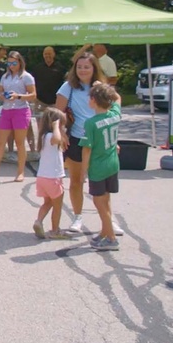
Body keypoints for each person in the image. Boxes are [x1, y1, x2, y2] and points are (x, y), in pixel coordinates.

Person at [55, 51, 125, 235]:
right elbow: (58, 113)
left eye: (87, 67)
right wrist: (61, 133)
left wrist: (113, 138)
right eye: (79, 67)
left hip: (101, 140)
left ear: (94, 68)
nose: (82, 70)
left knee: (103, 184)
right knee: (77, 180)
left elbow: (116, 100)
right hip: (78, 139)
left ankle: (108, 221)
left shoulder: (100, 87)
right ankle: (77, 218)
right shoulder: (68, 87)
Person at [0, 51, 36, 182]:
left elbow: (33, 95)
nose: (11, 65)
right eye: (9, 63)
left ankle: (20, 172)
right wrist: (2, 96)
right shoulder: (5, 77)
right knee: (0, 142)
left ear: (20, 63)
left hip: (21, 110)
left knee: (20, 143)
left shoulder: (26, 77)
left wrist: (18, 96)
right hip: (6, 110)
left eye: (14, 63)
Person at [81, 83, 122, 251]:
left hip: (98, 167)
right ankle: (105, 231)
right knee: (106, 200)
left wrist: (84, 170)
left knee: (99, 201)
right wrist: (105, 86)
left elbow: (87, 149)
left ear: (93, 100)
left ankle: (111, 238)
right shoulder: (114, 114)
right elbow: (118, 98)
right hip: (113, 164)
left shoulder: (90, 123)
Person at [32, 107, 72, 240]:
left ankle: (38, 221)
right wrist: (56, 127)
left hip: (42, 177)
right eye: (62, 124)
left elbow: (62, 141)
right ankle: (55, 230)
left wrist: (61, 130)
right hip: (53, 178)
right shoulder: (51, 136)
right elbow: (56, 139)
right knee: (57, 205)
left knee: (48, 202)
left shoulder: (43, 136)